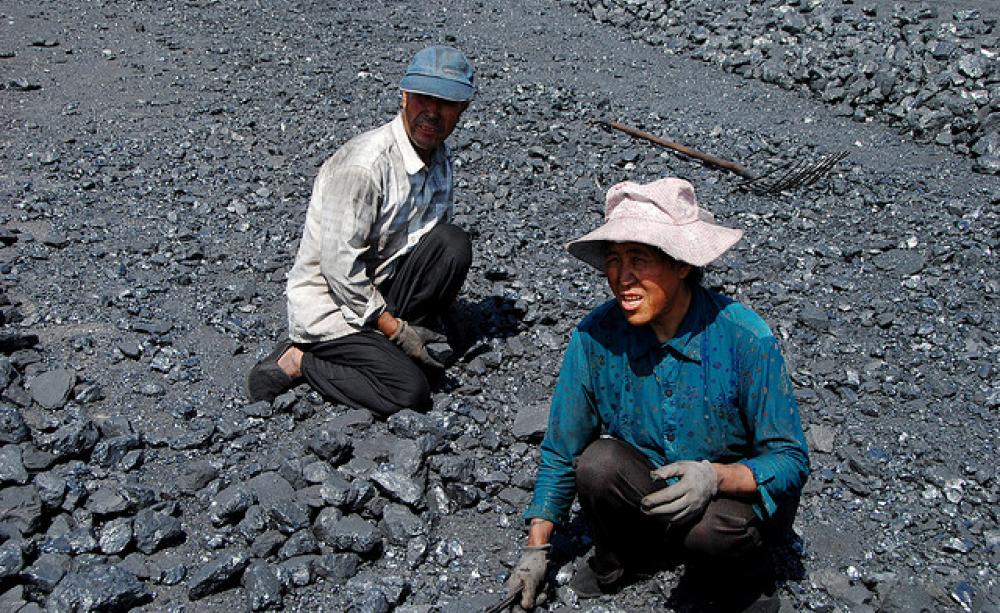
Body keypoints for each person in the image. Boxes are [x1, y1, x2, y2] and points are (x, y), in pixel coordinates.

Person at [507, 178, 810, 611]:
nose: (621, 278)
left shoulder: (745, 338)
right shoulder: (595, 338)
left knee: (712, 530)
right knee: (596, 464)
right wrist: (536, 550)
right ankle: (629, 556)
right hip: (651, 486)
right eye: (614, 260)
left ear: (682, 264)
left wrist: (715, 477)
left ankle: (744, 583)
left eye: (640, 260)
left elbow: (791, 459)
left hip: (726, 503)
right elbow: (562, 448)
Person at [246, 45, 475, 417]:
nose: (432, 112)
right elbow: (339, 270)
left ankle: (376, 345)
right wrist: (396, 332)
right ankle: (302, 358)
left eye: (446, 103)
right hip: (332, 303)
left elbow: (423, 246)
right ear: (404, 96)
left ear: (462, 109)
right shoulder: (364, 167)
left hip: (379, 285)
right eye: (423, 98)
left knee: (453, 244)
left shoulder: (439, 157)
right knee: (410, 391)